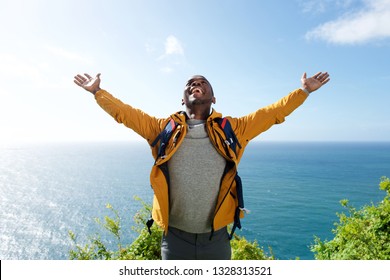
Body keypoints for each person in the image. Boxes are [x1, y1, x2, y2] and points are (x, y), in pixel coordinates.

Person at [74, 71, 330, 260]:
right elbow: (125, 113)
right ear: (182, 99)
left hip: (216, 238)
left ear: (213, 98)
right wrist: (98, 92)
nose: (196, 85)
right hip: (174, 238)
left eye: (202, 83)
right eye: (191, 84)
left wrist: (304, 91)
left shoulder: (234, 129)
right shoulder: (162, 129)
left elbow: (273, 113)